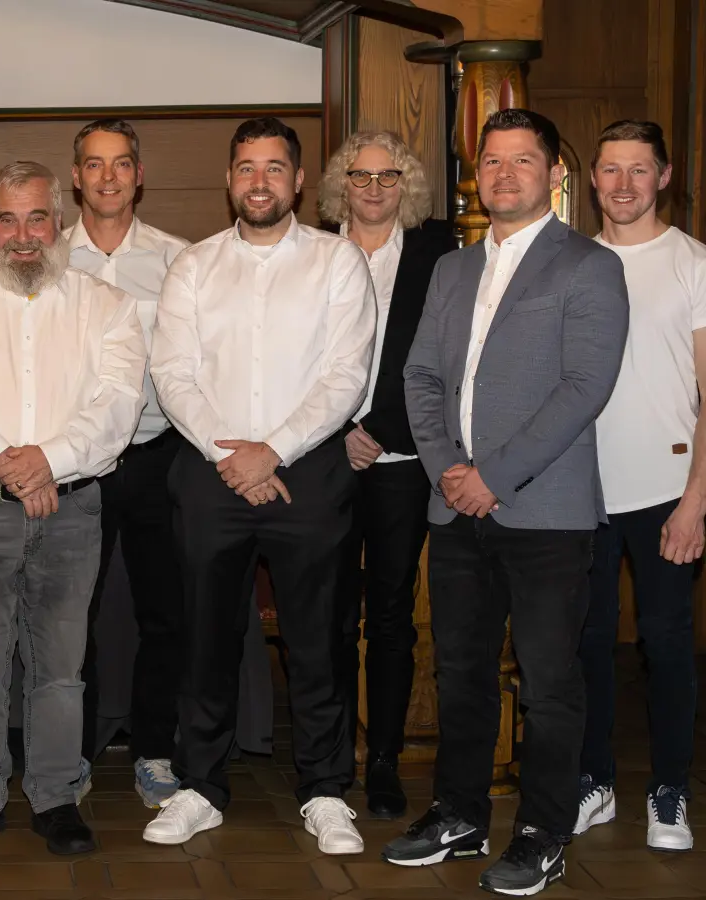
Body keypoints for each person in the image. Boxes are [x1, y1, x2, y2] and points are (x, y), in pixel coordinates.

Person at [388, 109, 628, 897]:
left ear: (555, 174)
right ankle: (458, 813)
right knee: (459, 671)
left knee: (551, 680)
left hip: (546, 513)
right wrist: (451, 470)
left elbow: (582, 390)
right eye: (491, 161)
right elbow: (421, 379)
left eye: (522, 161)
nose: (504, 174)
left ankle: (543, 832)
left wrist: (493, 473)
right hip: (456, 508)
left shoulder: (588, 267)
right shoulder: (453, 269)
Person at [147, 117, 375, 856]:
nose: (259, 181)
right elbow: (172, 372)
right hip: (212, 471)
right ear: (229, 179)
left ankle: (324, 790)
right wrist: (234, 456)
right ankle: (201, 787)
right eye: (247, 167)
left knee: (319, 641)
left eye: (275, 168)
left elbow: (347, 375)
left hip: (308, 472)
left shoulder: (339, 263)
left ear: (300, 182)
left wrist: (273, 451)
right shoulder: (194, 266)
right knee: (205, 638)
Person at [0, 161, 145, 856]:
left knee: (60, 670)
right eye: (8, 219)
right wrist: (10, 461)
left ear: (58, 221)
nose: (22, 235)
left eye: (36, 217)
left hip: (70, 511)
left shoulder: (106, 305)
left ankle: (54, 796)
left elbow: (118, 406)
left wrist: (49, 460)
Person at [318, 130, 454, 820]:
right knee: (332, 615)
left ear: (409, 185)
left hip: (402, 462)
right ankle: (332, 758)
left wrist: (382, 433)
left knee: (392, 617)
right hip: (325, 457)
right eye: (360, 176)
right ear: (341, 183)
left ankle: (384, 762)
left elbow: (444, 361)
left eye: (388, 177)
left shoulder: (438, 252)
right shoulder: (310, 248)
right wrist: (340, 433)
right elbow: (289, 354)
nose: (373, 190)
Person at [576, 119, 702, 852]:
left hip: (666, 493)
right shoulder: (569, 262)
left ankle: (669, 792)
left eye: (639, 170)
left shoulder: (692, 264)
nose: (624, 185)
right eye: (611, 170)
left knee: (666, 646)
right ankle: (594, 780)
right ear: (591, 178)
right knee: (584, 645)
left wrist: (696, 500)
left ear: (664, 175)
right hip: (580, 492)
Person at [63, 119, 189, 805]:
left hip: (157, 453)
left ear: (139, 175)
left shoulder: (180, 260)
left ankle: (155, 751)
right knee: (67, 614)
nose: (107, 177)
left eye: (120, 165)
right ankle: (70, 752)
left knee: (162, 614)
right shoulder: (47, 258)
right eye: (93, 165)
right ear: (75, 177)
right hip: (77, 462)